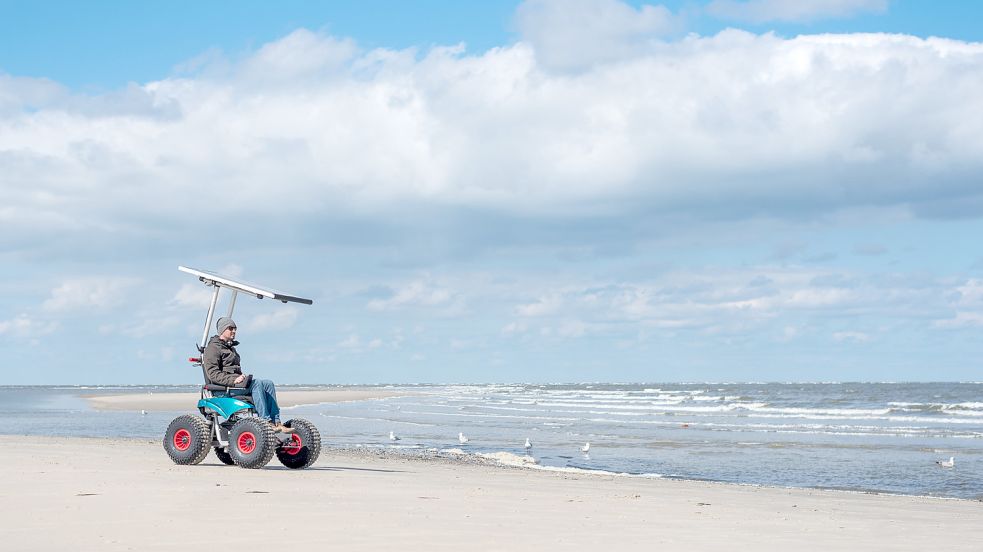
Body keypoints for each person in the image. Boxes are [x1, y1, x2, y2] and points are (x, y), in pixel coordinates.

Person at [203, 316, 293, 433]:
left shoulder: (230, 348)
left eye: (235, 328)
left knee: (267, 383)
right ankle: (266, 422)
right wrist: (233, 380)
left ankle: (276, 422)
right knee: (256, 384)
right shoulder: (213, 348)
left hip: (235, 385)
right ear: (222, 330)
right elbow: (212, 374)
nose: (234, 331)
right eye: (231, 328)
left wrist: (241, 377)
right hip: (223, 388)